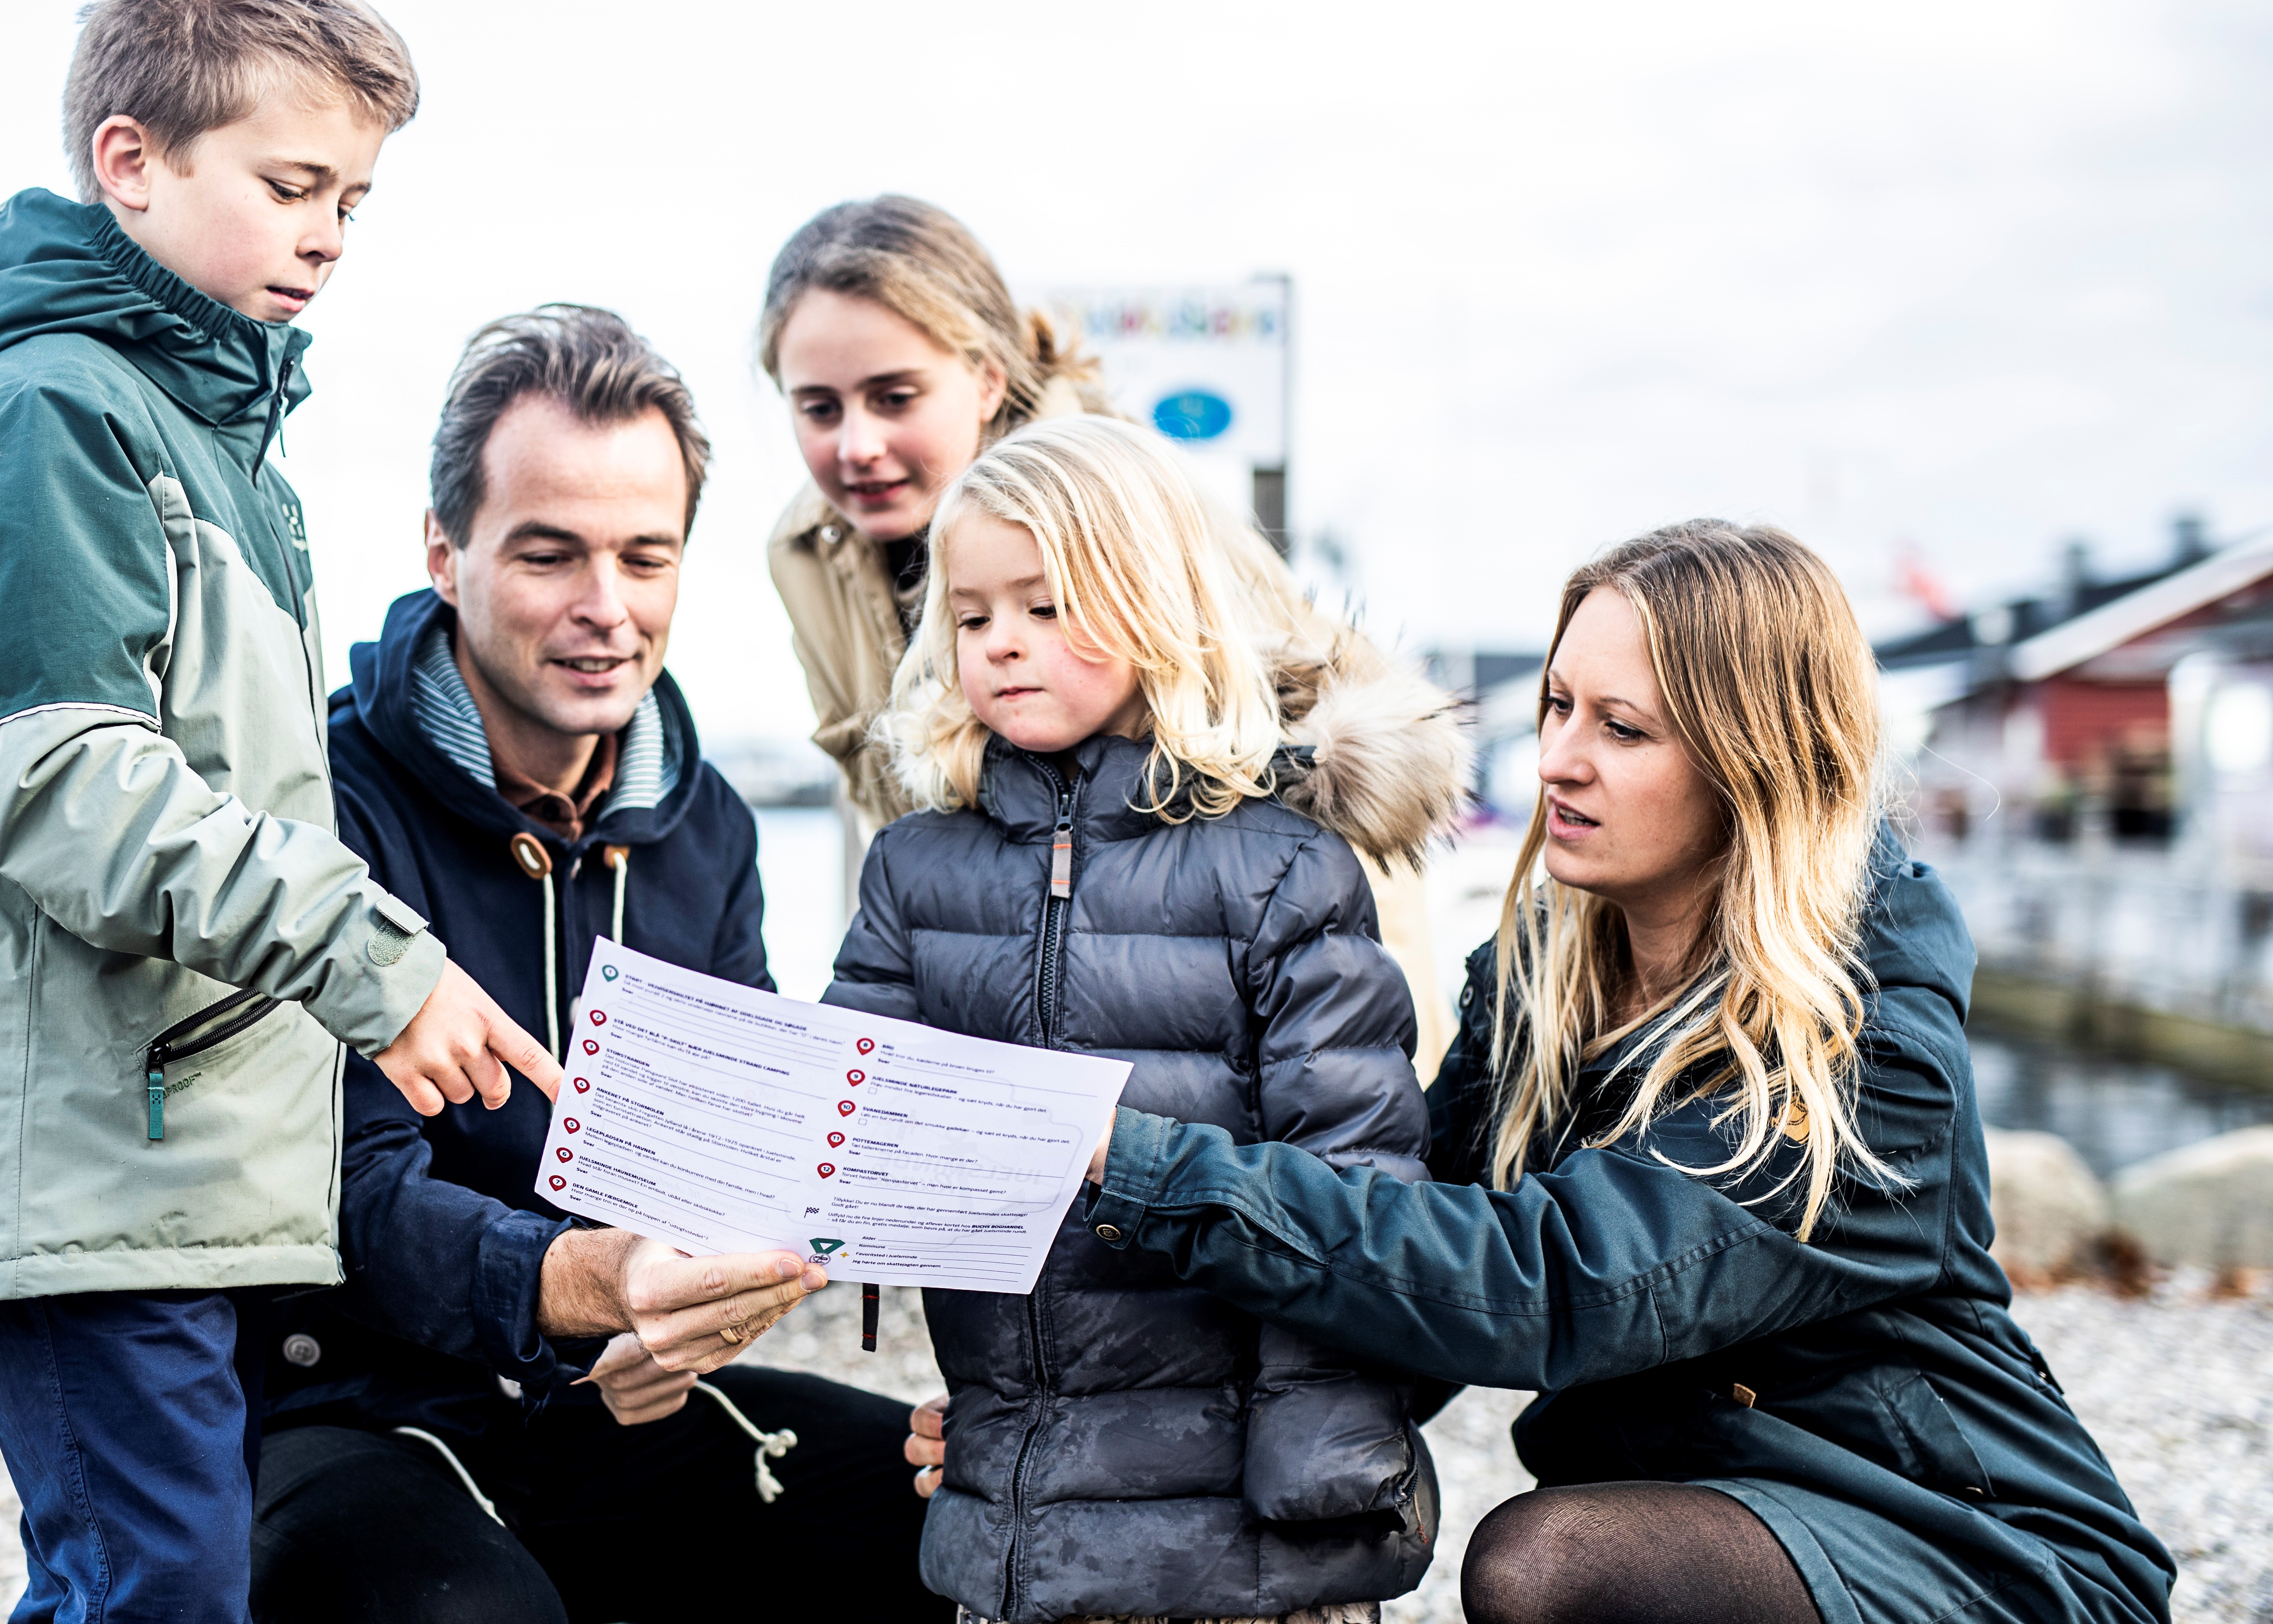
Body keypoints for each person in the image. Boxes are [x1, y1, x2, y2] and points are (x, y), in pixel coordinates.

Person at [1062, 522, 2175, 1624]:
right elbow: (1402, 1257)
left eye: (1624, 727)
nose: (1556, 759)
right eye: (1557, 705)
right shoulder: (1549, 987)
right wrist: (1075, 1436)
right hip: (1734, 1522)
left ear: (1757, 759)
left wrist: (1163, 1172)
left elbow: (1549, 1284)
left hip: (1990, 1557)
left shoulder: (1871, 1061)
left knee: (1547, 1564)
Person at [0, 6, 566, 1621]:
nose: (329, 235)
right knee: (154, 1587)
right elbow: (72, 790)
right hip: (81, 1161)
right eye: (295, 182)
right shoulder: (43, 412)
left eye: (356, 201)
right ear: (130, 162)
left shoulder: (223, 443)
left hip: (174, 1157)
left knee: (161, 1579)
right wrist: (384, 966)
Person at [250, 305, 941, 1624]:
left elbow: (736, 1161)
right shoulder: (324, 809)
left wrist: (709, 1301)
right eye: (551, 553)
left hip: (614, 1386)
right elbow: (342, 1203)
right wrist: (591, 1288)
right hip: (350, 1404)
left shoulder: (709, 822)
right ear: (447, 556)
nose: (606, 609)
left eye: (645, 556)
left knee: (943, 1526)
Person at [825, 416, 1468, 1624]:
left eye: (1051, 604)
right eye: (972, 617)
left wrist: (1324, 1480)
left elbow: (1355, 1193)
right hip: (1015, 1515)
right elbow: (845, 1122)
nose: (1005, 641)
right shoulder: (914, 871)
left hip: (1248, 1529)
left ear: (1160, 604)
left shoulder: (1282, 873)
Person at [756, 194, 1461, 1066]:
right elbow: (890, 810)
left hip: (1215, 1001)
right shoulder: (808, 553)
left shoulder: (1131, 504)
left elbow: (1315, 785)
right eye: (819, 409)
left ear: (985, 376)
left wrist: (1391, 1067)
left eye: (894, 396)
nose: (856, 445)